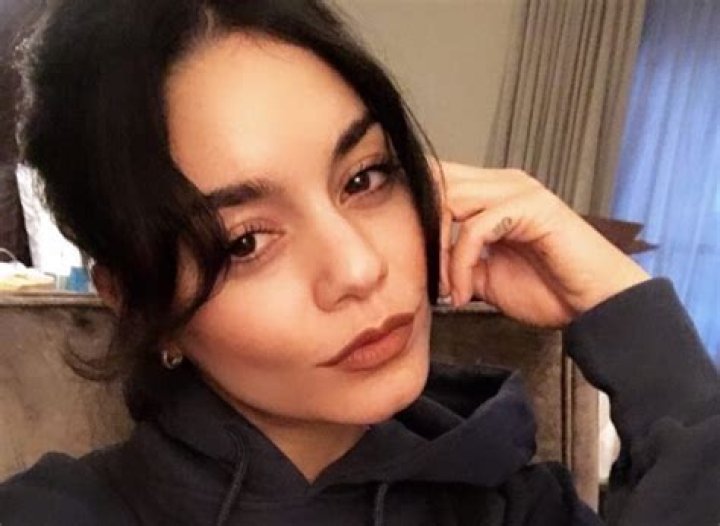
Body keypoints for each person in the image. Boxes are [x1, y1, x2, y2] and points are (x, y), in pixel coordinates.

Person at [1, 1, 719, 525]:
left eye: (365, 178)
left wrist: (626, 308)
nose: (358, 268)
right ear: (137, 302)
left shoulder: (523, 508)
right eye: (244, 242)